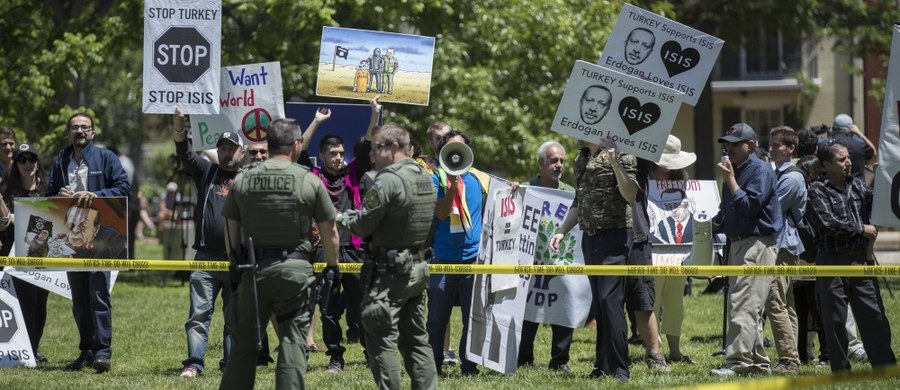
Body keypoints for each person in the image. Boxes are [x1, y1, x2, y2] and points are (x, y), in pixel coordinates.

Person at [219, 117, 340, 389]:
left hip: (253, 272)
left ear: (270, 145)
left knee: (244, 347)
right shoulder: (308, 180)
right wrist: (332, 268)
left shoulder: (243, 179)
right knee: (292, 344)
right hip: (295, 273)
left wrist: (234, 263)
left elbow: (231, 228)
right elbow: (330, 230)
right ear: (296, 146)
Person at [337, 122, 438, 389]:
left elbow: (362, 225)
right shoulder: (424, 176)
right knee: (417, 339)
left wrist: (339, 217)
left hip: (390, 273)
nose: (372, 154)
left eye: (377, 148)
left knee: (381, 341)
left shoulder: (389, 180)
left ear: (394, 147)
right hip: (417, 268)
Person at [172, 109, 269, 378]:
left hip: (237, 260)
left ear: (242, 152)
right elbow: (185, 153)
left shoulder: (251, 179)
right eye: (222, 147)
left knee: (234, 319)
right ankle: (194, 363)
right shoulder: (206, 172)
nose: (227, 152)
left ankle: (231, 364)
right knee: (198, 316)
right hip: (205, 258)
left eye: (232, 148)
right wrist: (179, 127)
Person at [549, 137, 638, 383]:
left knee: (611, 301)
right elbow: (579, 201)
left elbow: (630, 194)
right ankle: (602, 366)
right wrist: (562, 230)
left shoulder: (623, 154)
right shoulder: (581, 159)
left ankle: (621, 368)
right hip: (591, 237)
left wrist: (615, 163)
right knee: (600, 303)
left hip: (616, 234)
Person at [47, 112, 130, 373]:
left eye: (85, 127)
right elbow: (49, 195)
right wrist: (57, 195)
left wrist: (96, 194)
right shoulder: (61, 159)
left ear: (92, 133)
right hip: (71, 238)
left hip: (97, 238)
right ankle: (86, 351)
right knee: (79, 300)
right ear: (68, 133)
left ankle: (103, 353)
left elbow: (124, 188)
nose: (80, 131)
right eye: (75, 127)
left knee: (98, 295)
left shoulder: (106, 157)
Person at [806, 139, 896, 373]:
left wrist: (882, 179)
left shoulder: (857, 185)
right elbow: (828, 224)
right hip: (832, 262)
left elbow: (877, 204)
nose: (848, 163)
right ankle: (841, 372)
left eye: (848, 158)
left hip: (860, 260)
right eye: (842, 159)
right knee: (835, 321)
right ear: (826, 164)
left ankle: (885, 367)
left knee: (874, 315)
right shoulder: (817, 190)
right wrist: (860, 229)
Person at [709, 123, 782, 376]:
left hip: (756, 243)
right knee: (749, 305)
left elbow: (750, 206)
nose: (728, 149)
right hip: (739, 243)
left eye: (734, 144)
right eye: (726, 144)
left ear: (750, 146)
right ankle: (759, 365)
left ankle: (738, 363)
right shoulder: (735, 170)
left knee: (743, 304)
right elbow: (727, 212)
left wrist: (729, 180)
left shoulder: (759, 171)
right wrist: (706, 225)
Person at [427, 130, 488, 376]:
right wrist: (451, 187)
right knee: (436, 320)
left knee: (471, 319)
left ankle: (469, 365)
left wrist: (512, 188)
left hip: (473, 260)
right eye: (449, 149)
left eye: (459, 148)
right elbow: (441, 213)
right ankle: (433, 365)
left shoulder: (480, 180)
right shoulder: (435, 178)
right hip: (443, 259)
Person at [518, 141, 576, 372]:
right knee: (528, 311)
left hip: (561, 263)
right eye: (553, 160)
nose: (559, 165)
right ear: (541, 164)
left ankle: (560, 360)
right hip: (530, 263)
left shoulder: (571, 194)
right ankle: (523, 358)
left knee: (563, 309)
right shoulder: (524, 189)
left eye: (562, 160)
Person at [313, 134, 367, 373]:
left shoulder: (353, 173)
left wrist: (375, 113)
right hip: (324, 250)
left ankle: (371, 352)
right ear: (322, 155)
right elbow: (299, 150)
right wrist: (316, 122)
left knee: (363, 306)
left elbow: (366, 147)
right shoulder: (312, 178)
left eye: (340, 153)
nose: (338, 158)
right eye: (332, 153)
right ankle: (335, 357)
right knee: (328, 309)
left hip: (352, 250)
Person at [647, 137, 697, 365]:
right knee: (653, 300)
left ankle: (674, 351)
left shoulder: (684, 180)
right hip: (653, 249)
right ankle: (654, 350)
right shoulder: (644, 179)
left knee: (675, 301)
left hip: (679, 251)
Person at [0, 143, 49, 363]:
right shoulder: (6, 190)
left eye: (32, 159)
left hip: (45, 257)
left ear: (38, 163)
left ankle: (34, 347)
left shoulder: (48, 188)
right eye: (22, 160)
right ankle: (27, 350)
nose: (28, 164)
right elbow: (2, 223)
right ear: (16, 164)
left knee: (40, 303)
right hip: (16, 254)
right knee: (25, 303)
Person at [765, 126, 806, 373]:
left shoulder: (791, 178)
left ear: (791, 148)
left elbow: (772, 210)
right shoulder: (779, 174)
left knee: (774, 301)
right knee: (785, 302)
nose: (770, 149)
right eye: (769, 144)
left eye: (776, 145)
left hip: (783, 246)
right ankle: (792, 357)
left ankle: (789, 359)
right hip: (784, 245)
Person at [829, 114, 875, 181]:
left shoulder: (825, 144)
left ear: (833, 128)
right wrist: (859, 132)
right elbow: (874, 154)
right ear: (852, 129)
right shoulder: (860, 144)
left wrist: (830, 135)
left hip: (830, 188)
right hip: (857, 188)